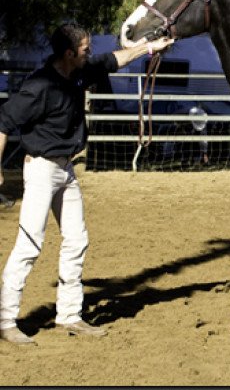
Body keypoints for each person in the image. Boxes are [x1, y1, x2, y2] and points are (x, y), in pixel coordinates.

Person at [0, 23, 173, 345]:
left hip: (66, 170)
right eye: (85, 49)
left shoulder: (80, 72)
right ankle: (6, 319)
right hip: (40, 171)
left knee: (77, 240)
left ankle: (70, 315)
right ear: (69, 53)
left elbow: (115, 59)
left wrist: (150, 47)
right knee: (28, 245)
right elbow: (3, 121)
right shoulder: (40, 86)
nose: (89, 53)